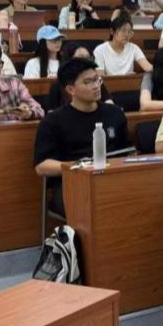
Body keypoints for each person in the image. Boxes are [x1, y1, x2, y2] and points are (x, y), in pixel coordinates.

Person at [34, 57, 129, 216]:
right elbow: (42, 166)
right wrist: (80, 166)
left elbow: (127, 152)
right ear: (71, 89)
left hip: (111, 177)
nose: (96, 86)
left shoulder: (114, 113)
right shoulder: (53, 121)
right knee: (97, 208)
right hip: (72, 183)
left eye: (97, 80)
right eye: (88, 82)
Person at [44, 43, 116, 110]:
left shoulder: (97, 81)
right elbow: (52, 112)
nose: (85, 61)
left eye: (88, 57)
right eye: (80, 58)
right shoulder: (57, 85)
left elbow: (109, 104)